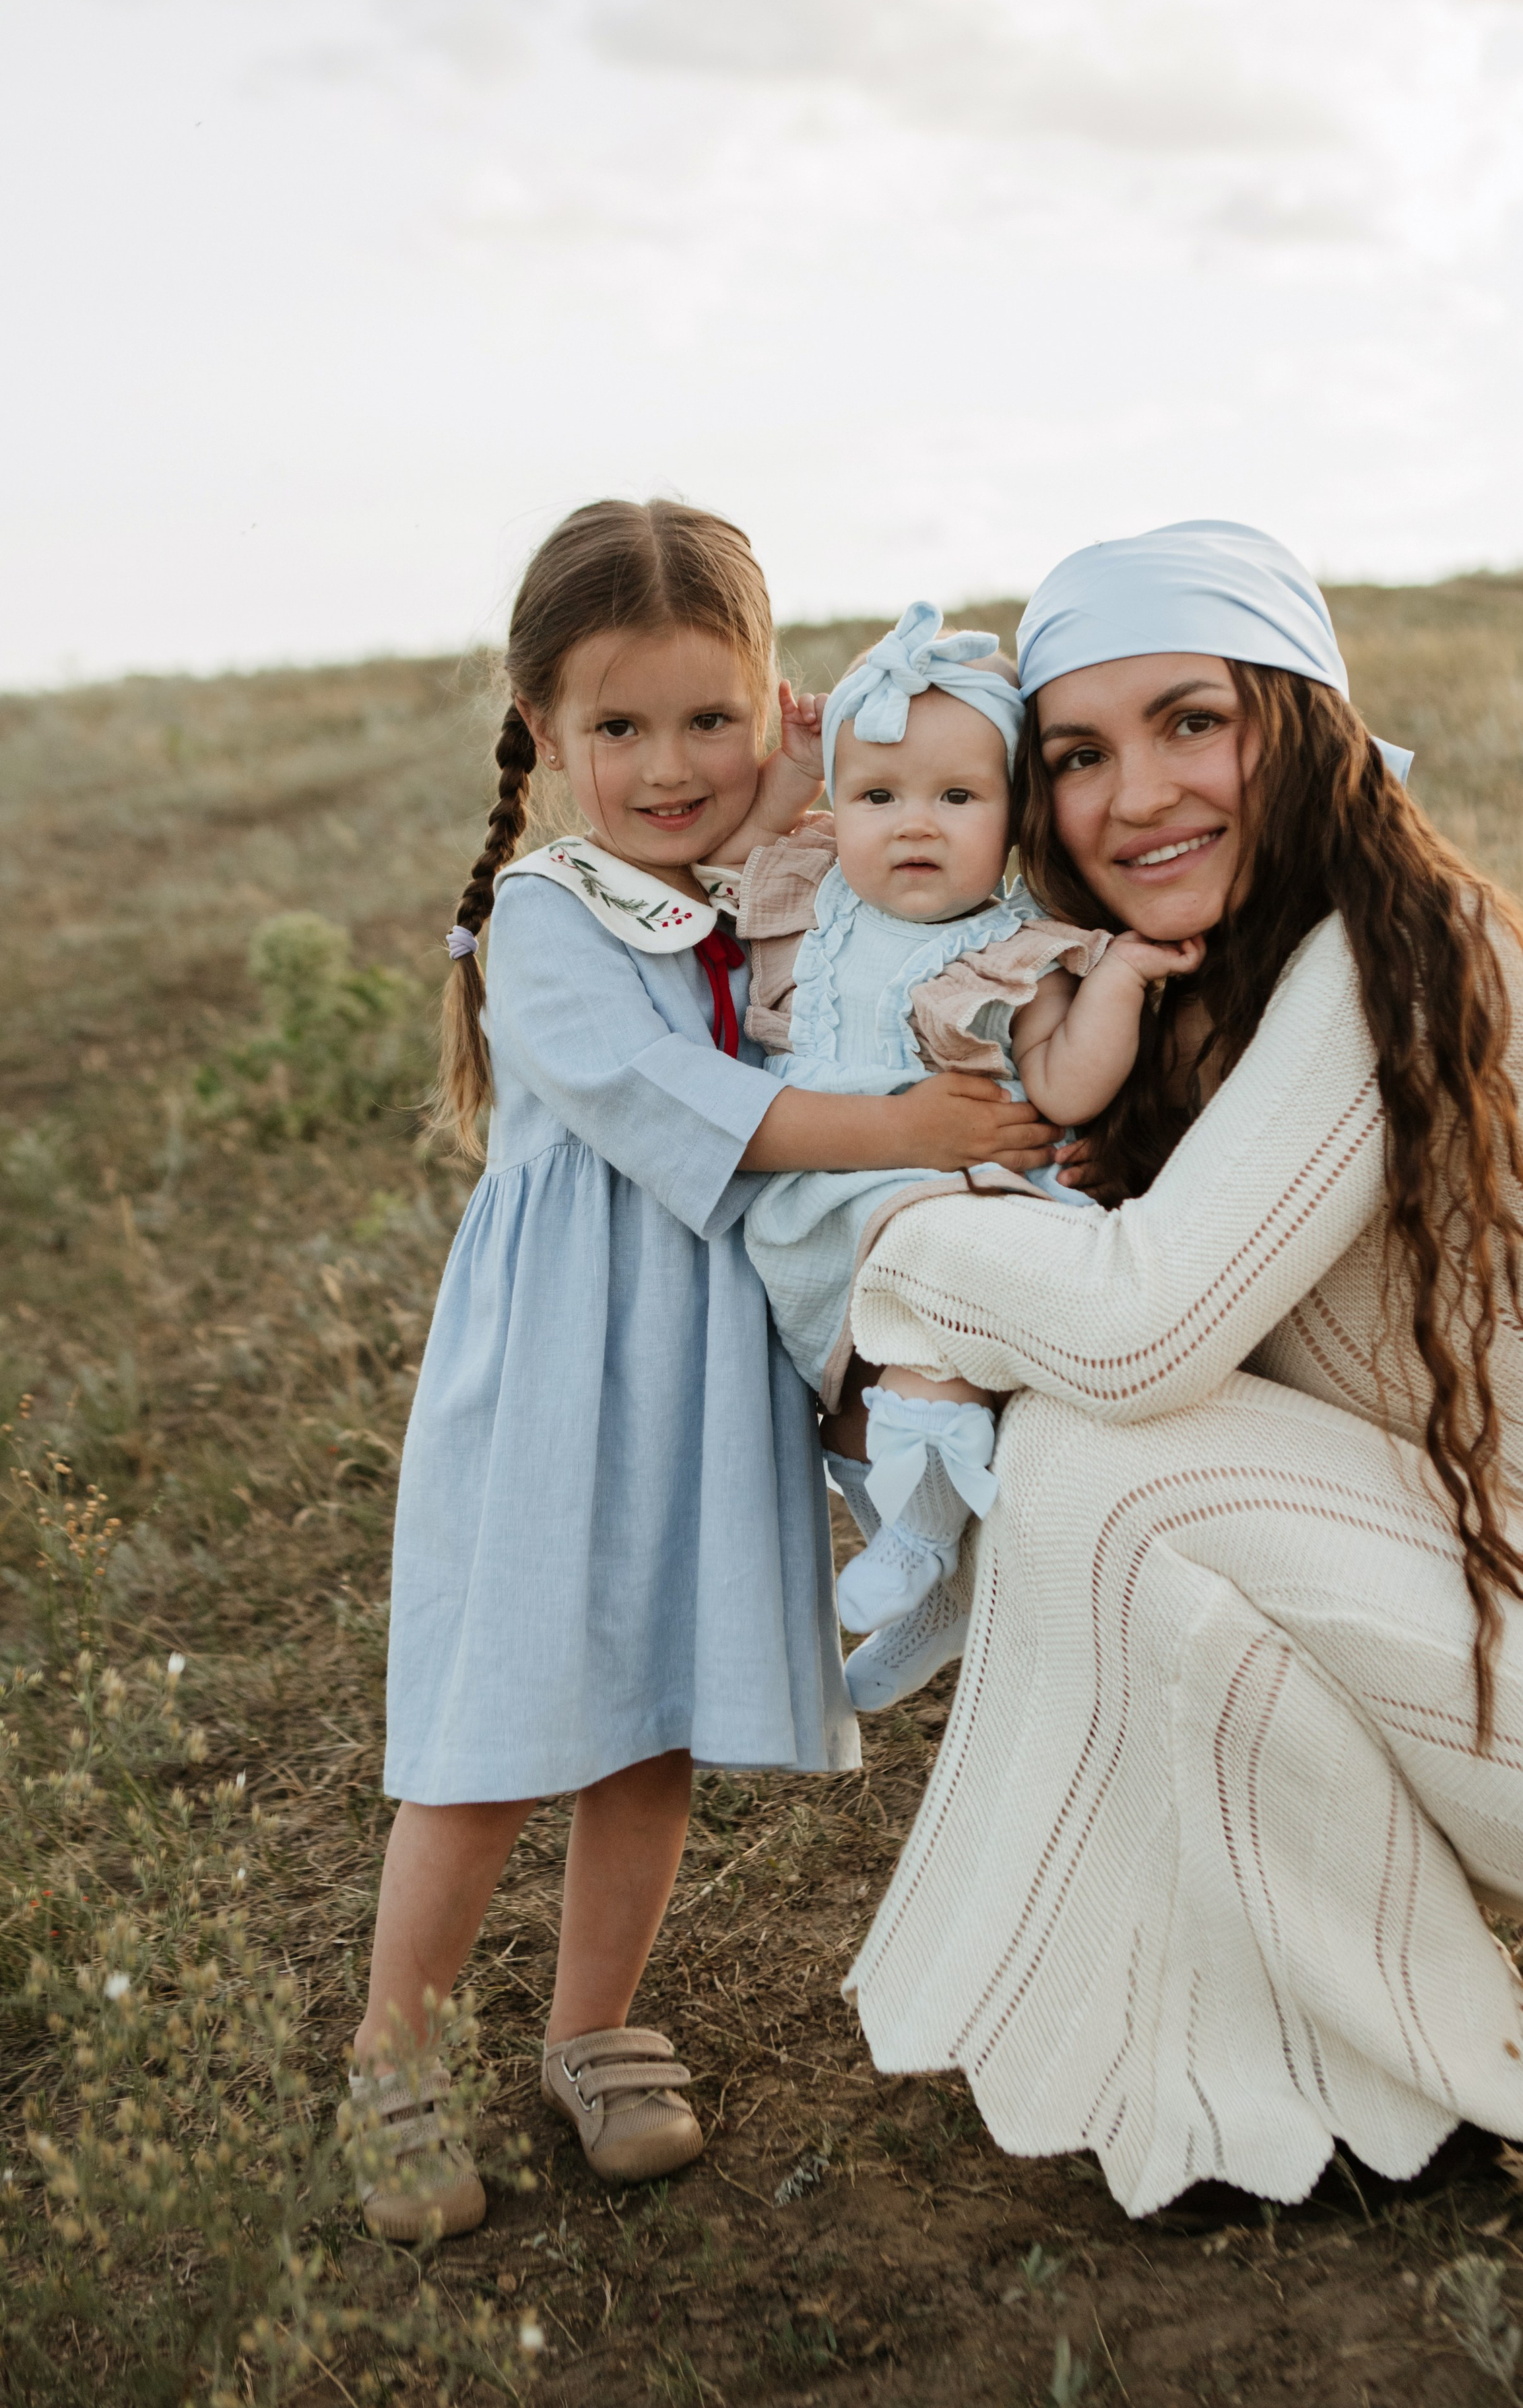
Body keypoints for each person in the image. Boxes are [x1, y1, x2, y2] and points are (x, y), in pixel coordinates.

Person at [842, 518, 1523, 2215]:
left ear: (1301, 723)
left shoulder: (1390, 954)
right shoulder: (1198, 1000)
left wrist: (884, 1251)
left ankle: (1356, 2077)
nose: (1136, 796)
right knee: (1111, 1470)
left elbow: (1136, 1324)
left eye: (1193, 721)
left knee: (1118, 1458)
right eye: (1080, 755)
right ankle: (1372, 2083)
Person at [346, 498, 1057, 2242]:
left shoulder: (767, 874)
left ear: (772, 703)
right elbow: (692, 1114)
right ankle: (392, 2052)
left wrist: (825, 772)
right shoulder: (548, 914)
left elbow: (918, 854)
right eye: (618, 727)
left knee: (652, 1710)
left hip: (702, 1366)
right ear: (543, 734)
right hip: (559, 1374)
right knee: (497, 1723)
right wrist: (903, 1121)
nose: (670, 766)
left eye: (711, 718)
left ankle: (593, 2025)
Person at [718, 601, 1197, 1713]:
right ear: (840, 811)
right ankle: (937, 1581)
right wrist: (794, 767)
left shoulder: (1017, 944)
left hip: (950, 1207)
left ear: (1014, 817)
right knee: (848, 1408)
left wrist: (1115, 982)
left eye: (957, 798)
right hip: (819, 1202)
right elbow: (728, 847)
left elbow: (1069, 1082)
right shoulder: (816, 893)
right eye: (880, 797)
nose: (915, 824)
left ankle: (929, 1551)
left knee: (926, 1342)